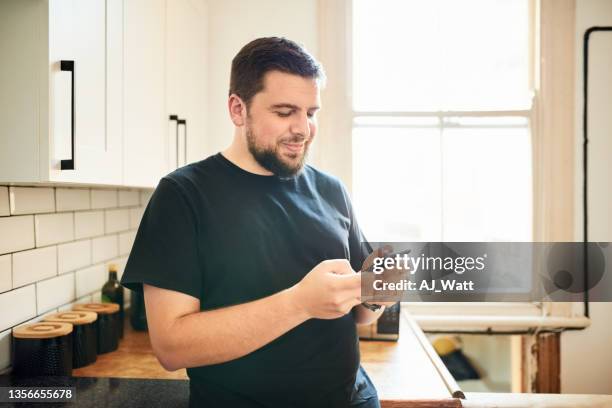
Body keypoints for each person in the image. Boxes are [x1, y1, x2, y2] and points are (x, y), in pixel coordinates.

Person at [121, 37, 392, 408]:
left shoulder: (332, 190)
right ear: (238, 109)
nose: (303, 129)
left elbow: (360, 313)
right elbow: (171, 347)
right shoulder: (182, 195)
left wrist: (380, 289)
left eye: (310, 113)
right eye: (284, 112)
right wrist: (299, 302)